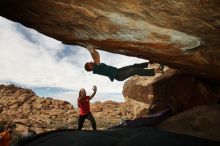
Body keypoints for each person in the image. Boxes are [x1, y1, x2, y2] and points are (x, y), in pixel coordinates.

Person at [84, 46, 162, 82]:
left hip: (118, 70)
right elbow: (96, 57)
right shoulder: (96, 69)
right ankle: (155, 71)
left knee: (133, 66)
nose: (90, 62)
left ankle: (149, 63)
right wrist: (90, 49)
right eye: (89, 63)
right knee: (135, 70)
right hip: (118, 76)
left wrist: (91, 49)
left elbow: (96, 55)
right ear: (90, 68)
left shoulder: (95, 65)